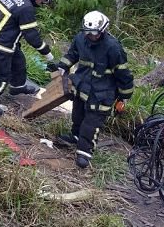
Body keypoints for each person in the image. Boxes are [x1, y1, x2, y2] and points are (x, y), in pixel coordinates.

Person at [47, 11, 134, 169]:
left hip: (102, 93)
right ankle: (75, 136)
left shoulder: (113, 47)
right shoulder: (81, 39)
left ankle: (84, 152)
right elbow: (72, 54)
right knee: (78, 115)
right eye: (87, 33)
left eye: (94, 33)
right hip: (82, 85)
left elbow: (123, 73)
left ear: (103, 30)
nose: (90, 36)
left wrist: (124, 96)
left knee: (91, 123)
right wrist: (61, 67)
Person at [0, 0, 56, 116]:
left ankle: (17, 87)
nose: (42, 3)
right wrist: (48, 55)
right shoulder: (26, 8)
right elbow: (32, 36)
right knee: (1, 76)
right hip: (0, 46)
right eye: (43, 0)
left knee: (18, 61)